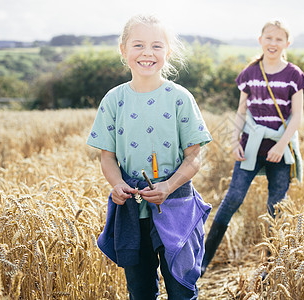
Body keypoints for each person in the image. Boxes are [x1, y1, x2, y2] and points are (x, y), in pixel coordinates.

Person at [86, 14, 212, 299]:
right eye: (138, 45)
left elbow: (194, 156)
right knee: (140, 291)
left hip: (176, 206)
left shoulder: (180, 98)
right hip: (133, 211)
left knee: (181, 289)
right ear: (123, 50)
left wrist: (168, 186)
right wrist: (116, 184)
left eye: (157, 46)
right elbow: (107, 158)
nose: (147, 53)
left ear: (168, 52)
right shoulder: (113, 100)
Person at [201, 19, 304, 275]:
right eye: (268, 38)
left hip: (280, 151)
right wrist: (235, 140)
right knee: (231, 200)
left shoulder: (294, 75)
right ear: (260, 40)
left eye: (279, 39)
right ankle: (202, 261)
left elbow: (297, 116)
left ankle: (269, 269)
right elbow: (241, 111)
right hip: (250, 147)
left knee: (276, 209)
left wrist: (282, 145)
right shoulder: (249, 72)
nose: (273, 43)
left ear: (287, 43)